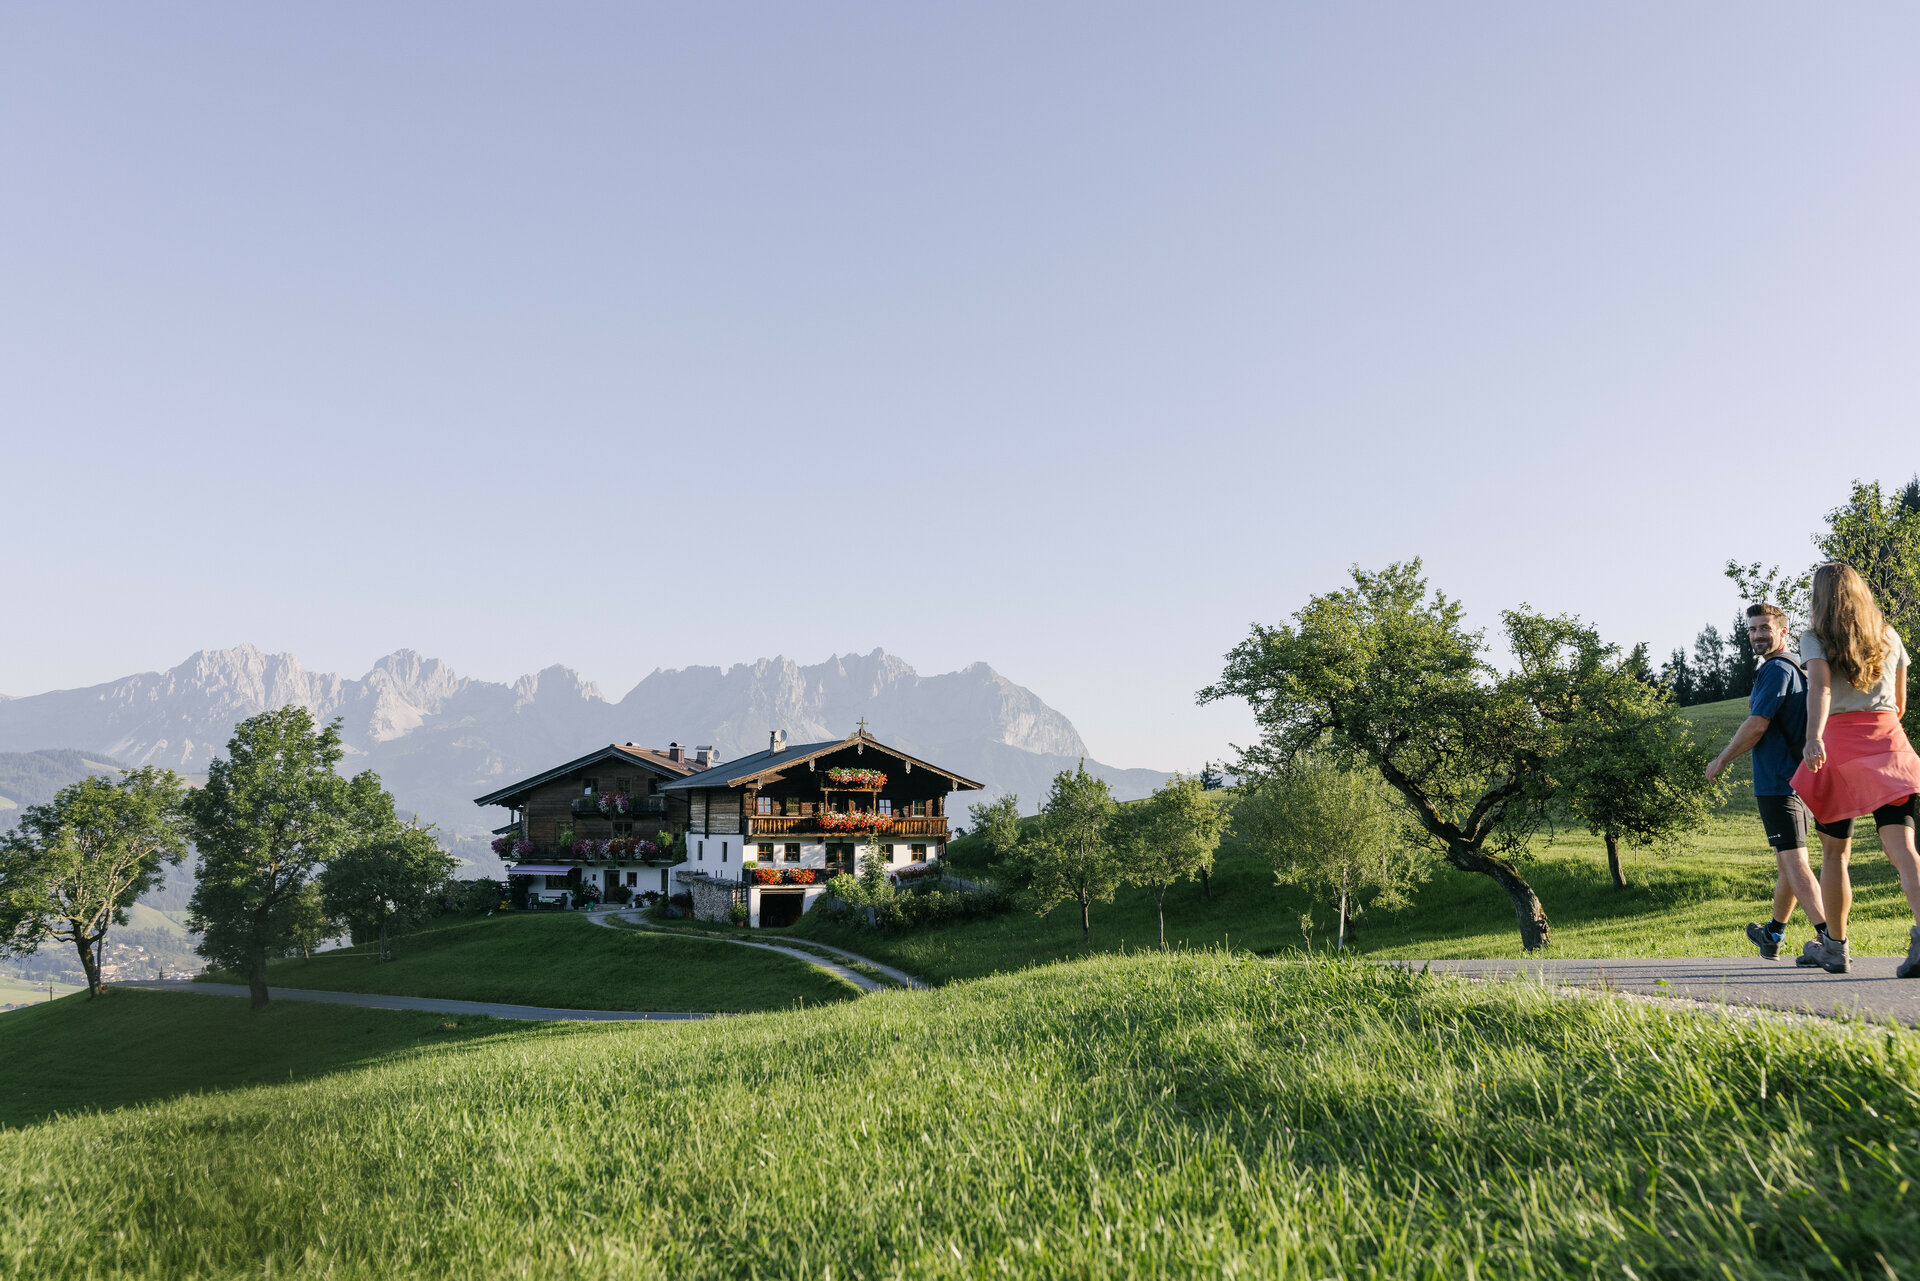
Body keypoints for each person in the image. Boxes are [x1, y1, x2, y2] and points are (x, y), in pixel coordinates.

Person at [1791, 562, 1920, 976]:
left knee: (1835, 853)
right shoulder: (1889, 634)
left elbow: (1820, 687)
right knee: (1903, 850)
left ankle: (1836, 947)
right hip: (1891, 745)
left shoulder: (1815, 637)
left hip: (1841, 751)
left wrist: (1814, 737)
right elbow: (1900, 704)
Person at [1706, 602, 1828, 960]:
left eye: (1764, 628)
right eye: (1752, 629)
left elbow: (1757, 725)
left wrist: (1721, 760)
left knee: (1794, 863)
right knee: (1787, 863)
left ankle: (1830, 939)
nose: (1757, 634)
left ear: (1783, 631)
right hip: (1798, 782)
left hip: (1778, 784)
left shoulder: (1776, 669)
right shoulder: (1796, 668)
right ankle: (1773, 934)